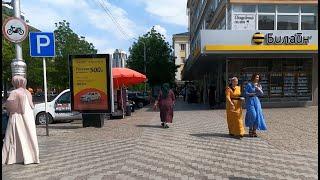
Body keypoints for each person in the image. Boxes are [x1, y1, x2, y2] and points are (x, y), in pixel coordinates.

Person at [2, 75, 40, 165]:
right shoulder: (28, 92)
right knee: (29, 136)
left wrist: (6, 107)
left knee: (14, 137)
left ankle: (14, 157)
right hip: (28, 117)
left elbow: (10, 106)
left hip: (17, 117)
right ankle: (32, 157)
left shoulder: (14, 92)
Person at [244, 73, 267, 137]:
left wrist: (259, 89)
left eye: (258, 77)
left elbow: (262, 94)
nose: (257, 78)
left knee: (257, 116)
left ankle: (254, 131)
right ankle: (250, 129)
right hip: (250, 101)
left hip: (256, 101)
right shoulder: (249, 84)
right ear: (253, 77)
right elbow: (245, 93)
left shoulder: (259, 85)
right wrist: (252, 94)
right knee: (253, 115)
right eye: (256, 77)